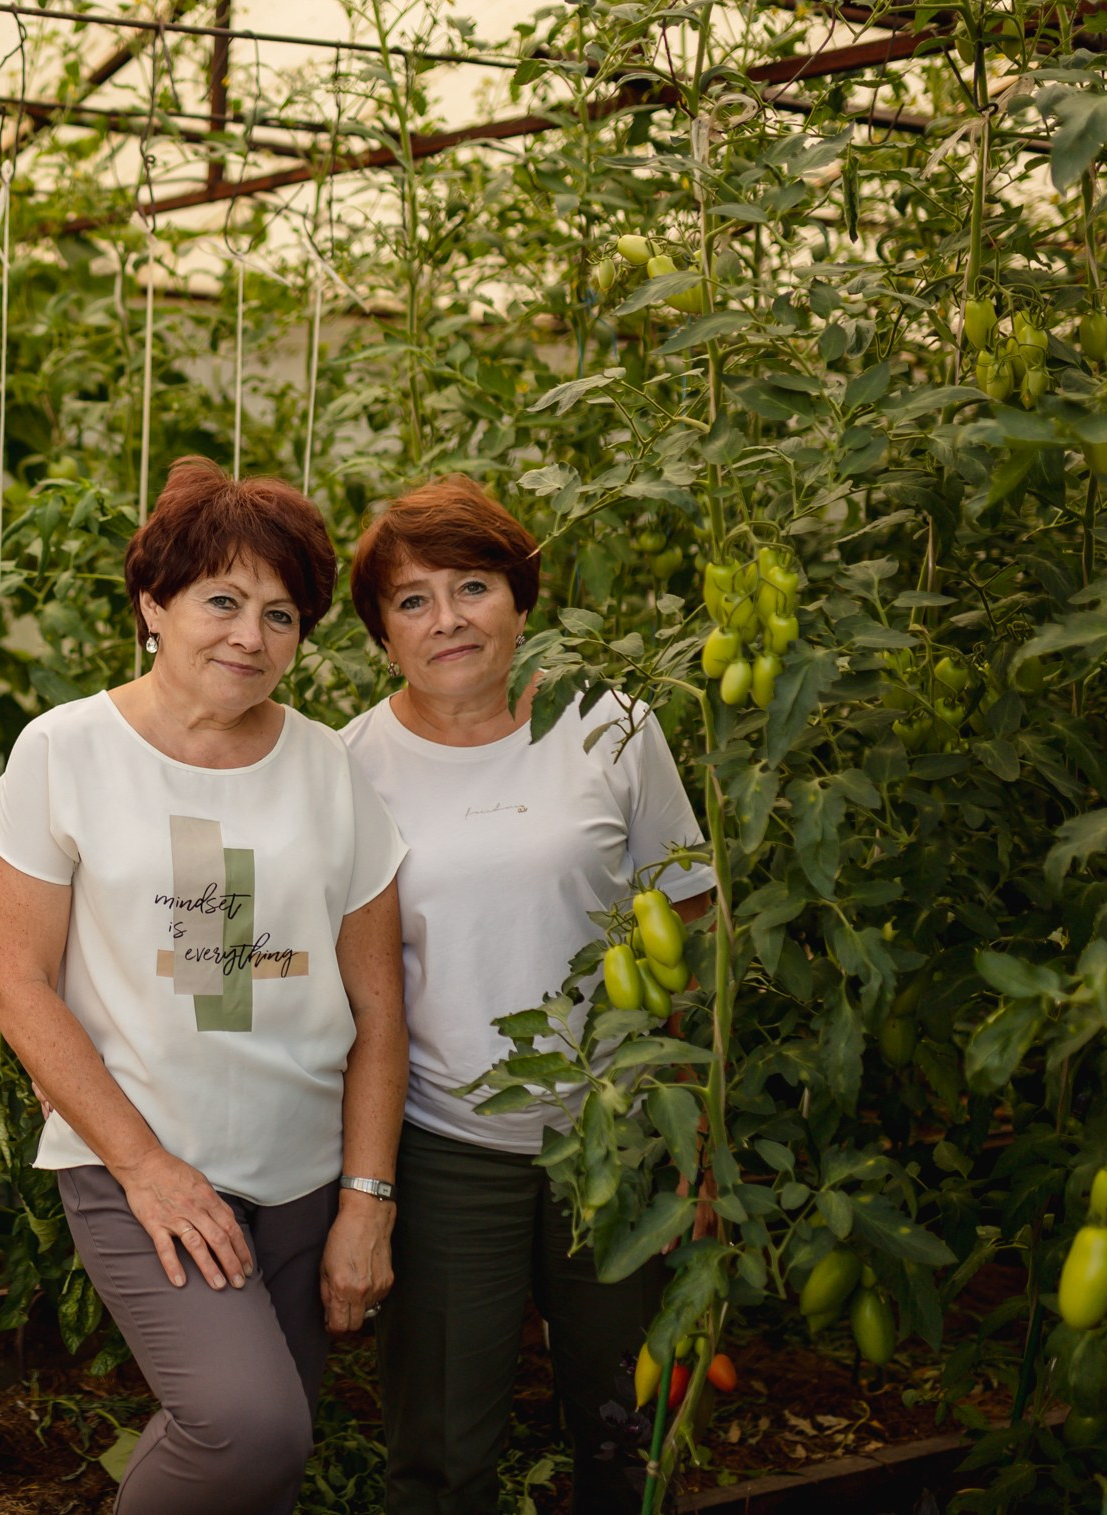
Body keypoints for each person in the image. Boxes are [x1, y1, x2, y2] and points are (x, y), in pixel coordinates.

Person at [0, 456, 409, 1515]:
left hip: (303, 1177)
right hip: (140, 1167)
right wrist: (146, 1168)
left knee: (259, 1476)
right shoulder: (64, 753)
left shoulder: (328, 770)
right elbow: (15, 980)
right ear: (152, 606)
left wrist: (365, 1198)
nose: (249, 638)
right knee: (245, 1428)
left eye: (280, 615)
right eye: (220, 601)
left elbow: (378, 1014)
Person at [337, 475, 715, 1515]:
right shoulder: (347, 768)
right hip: (449, 1138)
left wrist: (689, 1133)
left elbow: (686, 922)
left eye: (473, 585)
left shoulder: (613, 729)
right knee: (443, 1451)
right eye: (412, 600)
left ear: (520, 596)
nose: (447, 618)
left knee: (623, 1427)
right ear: (380, 633)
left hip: (621, 1131)